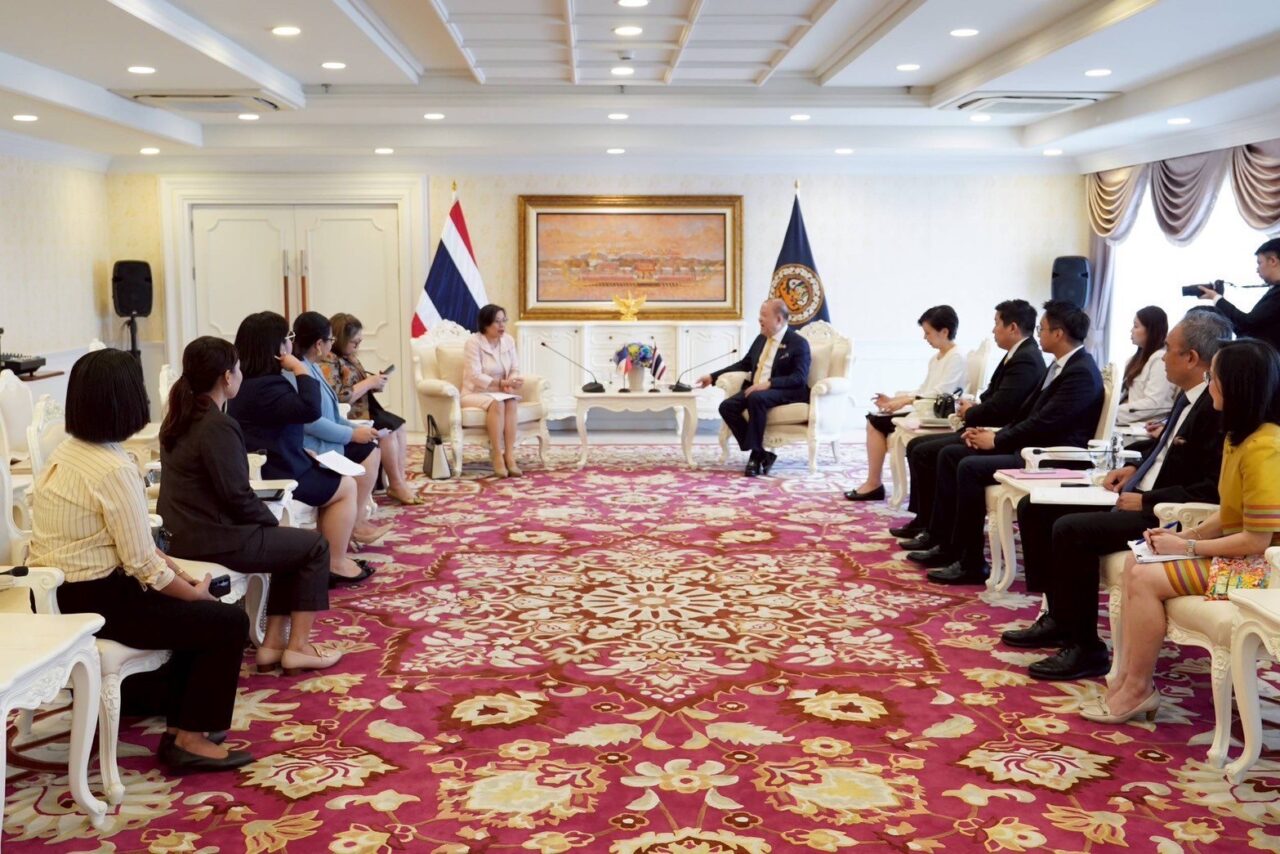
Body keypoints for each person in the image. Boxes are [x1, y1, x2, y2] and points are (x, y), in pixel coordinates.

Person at [27, 349, 252, 772]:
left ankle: (183, 721)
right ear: (126, 400)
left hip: (62, 592)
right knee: (226, 621)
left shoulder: (69, 451)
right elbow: (143, 564)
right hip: (96, 599)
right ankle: (189, 739)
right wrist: (193, 594)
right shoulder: (112, 467)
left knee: (194, 610)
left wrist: (184, 580)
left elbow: (140, 550)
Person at [1002, 311, 1230, 681]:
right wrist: (1135, 467)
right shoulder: (1188, 396)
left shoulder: (1215, 408)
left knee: (1071, 529)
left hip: (1167, 513)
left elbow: (1210, 487)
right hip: (1142, 492)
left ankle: (1086, 648)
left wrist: (1147, 500)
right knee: (1035, 507)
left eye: (1168, 349)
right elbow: (1165, 450)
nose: (1161, 357)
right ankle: (1058, 617)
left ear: (1191, 358)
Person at [1085, 338, 1280, 724]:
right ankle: (1129, 679)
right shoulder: (1240, 437)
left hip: (1264, 571)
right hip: (1243, 557)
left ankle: (1138, 687)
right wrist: (1185, 538)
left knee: (1146, 578)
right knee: (1136, 563)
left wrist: (1188, 549)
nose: (1209, 385)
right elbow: (1229, 513)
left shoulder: (1265, 447)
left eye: (1214, 378)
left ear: (1236, 386)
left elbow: (1257, 540)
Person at [158, 336, 342, 676]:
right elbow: (237, 496)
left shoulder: (179, 417)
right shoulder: (217, 425)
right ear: (227, 377)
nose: (240, 375)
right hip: (215, 537)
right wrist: (270, 522)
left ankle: (273, 645)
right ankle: (298, 648)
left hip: (184, 534)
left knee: (291, 546)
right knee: (315, 546)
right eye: (238, 369)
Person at [908, 300, 1104, 585]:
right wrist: (990, 435)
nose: (1037, 333)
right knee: (953, 454)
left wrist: (997, 439)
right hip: (1032, 446)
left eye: (1042, 328)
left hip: (1050, 457)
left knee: (968, 466)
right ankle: (949, 546)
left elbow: (1044, 424)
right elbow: (1027, 415)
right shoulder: (1060, 366)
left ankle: (971, 562)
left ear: (1059, 333)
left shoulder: (1080, 372)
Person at [227, 311, 373, 585]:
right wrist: (299, 368)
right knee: (346, 487)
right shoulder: (269, 386)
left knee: (335, 476)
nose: (291, 343)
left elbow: (273, 430)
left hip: (275, 460)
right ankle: (335, 563)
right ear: (277, 347)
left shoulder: (248, 382)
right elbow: (310, 410)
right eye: (287, 338)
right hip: (278, 472)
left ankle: (326, 556)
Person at [889, 299, 1045, 543]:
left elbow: (1003, 407)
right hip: (993, 427)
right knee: (918, 447)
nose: (993, 329)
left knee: (934, 452)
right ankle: (927, 521)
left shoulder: (1026, 358)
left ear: (1013, 327)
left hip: (1000, 432)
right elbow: (993, 397)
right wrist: (972, 408)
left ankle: (938, 532)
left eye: (997, 323)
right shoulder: (1017, 354)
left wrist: (971, 412)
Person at [845, 305, 965, 501]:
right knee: (874, 419)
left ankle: (874, 484)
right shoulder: (937, 358)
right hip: (924, 409)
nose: (925, 337)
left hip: (936, 415)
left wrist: (903, 402)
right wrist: (894, 400)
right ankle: (873, 483)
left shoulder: (956, 357)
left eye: (928, 333)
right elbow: (924, 389)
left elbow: (940, 394)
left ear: (944, 332)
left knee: (875, 422)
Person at [293, 311, 393, 544]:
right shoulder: (298, 371)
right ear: (319, 344)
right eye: (330, 340)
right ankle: (350, 526)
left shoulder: (311, 366)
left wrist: (356, 430)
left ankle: (354, 522)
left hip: (327, 438)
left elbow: (331, 412)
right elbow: (310, 421)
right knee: (367, 451)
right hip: (313, 446)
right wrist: (351, 434)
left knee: (371, 446)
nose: (332, 345)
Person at [697, 298, 812, 477]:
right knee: (727, 407)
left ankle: (755, 457)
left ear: (779, 319)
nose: (759, 319)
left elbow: (799, 378)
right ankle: (760, 453)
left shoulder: (798, 343)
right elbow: (744, 364)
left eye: (764, 315)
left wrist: (769, 384)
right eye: (760, 315)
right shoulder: (761, 339)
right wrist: (713, 376)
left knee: (756, 397)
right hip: (758, 389)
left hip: (786, 391)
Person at [321, 312, 420, 505]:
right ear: (340, 339)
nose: (358, 346)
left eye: (360, 341)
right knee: (387, 432)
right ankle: (396, 484)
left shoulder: (350, 357)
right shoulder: (329, 360)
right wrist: (369, 383)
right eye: (354, 342)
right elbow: (338, 397)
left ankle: (399, 480)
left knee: (399, 427)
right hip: (349, 413)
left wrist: (376, 382)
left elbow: (359, 383)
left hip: (365, 406)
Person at [462, 304, 526, 477]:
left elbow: (515, 367)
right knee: (498, 403)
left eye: (504, 320)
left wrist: (512, 380)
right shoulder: (473, 343)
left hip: (500, 391)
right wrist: (502, 382)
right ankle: (497, 455)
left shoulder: (508, 340)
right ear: (485, 323)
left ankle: (509, 455)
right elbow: (475, 376)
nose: (502, 325)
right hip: (474, 393)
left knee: (511, 401)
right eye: (497, 322)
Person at [1200, 236, 1280, 352]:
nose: (1257, 269)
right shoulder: (1275, 290)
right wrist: (1219, 302)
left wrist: (1216, 298)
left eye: (1259, 263)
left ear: (1272, 261)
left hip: (1265, 359)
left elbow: (1248, 323)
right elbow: (1248, 328)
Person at [1115, 306, 1175, 425]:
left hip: (1146, 426)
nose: (1131, 330)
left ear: (1151, 330)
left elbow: (1153, 402)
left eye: (1136, 326)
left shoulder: (1160, 359)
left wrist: (1113, 413)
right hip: (1130, 422)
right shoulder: (1133, 360)